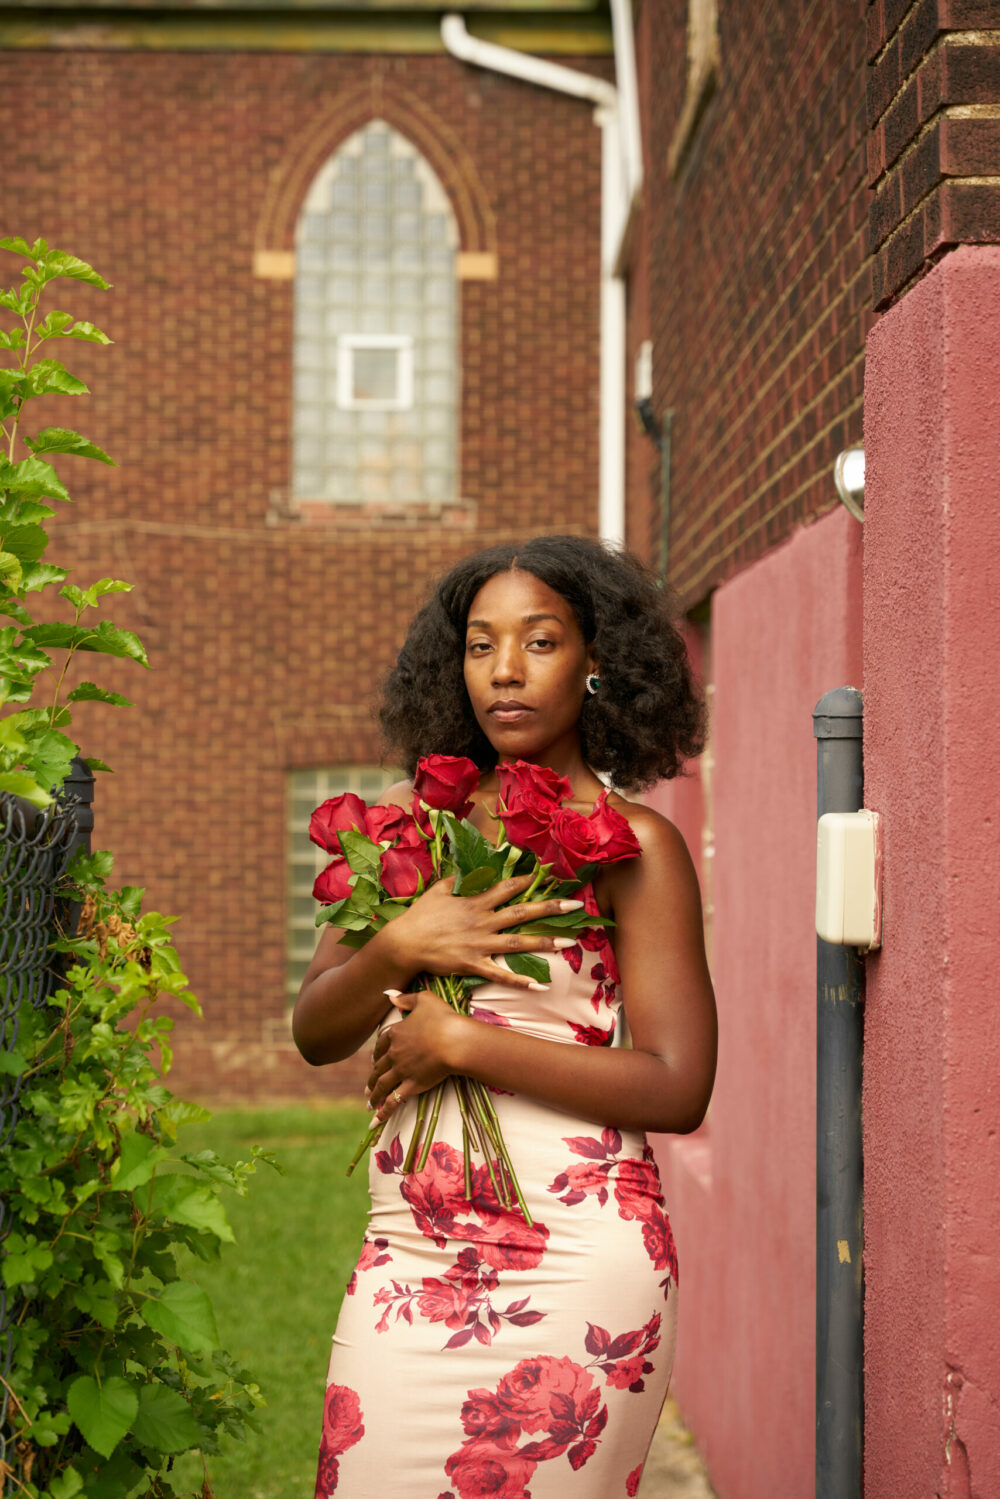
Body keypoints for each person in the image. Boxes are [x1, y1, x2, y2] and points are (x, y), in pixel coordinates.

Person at [293, 535, 717, 1499]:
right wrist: (404, 943)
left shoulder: (634, 846)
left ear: (597, 661)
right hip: (408, 1255)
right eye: (482, 646)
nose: (507, 672)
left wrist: (463, 1040)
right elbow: (318, 1027)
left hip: (578, 1263)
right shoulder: (402, 824)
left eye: (541, 641)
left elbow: (678, 1083)